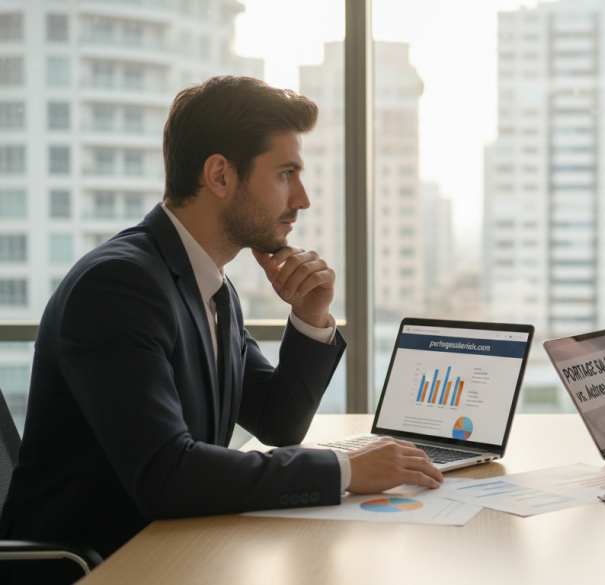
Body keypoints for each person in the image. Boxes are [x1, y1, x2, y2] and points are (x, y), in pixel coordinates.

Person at [0, 76, 443, 581]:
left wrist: (311, 316)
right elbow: (167, 474)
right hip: (99, 566)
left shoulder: (209, 284)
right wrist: (345, 470)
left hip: (178, 550)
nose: (302, 199)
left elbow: (277, 423)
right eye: (285, 174)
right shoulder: (119, 286)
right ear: (219, 175)